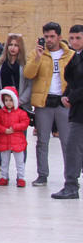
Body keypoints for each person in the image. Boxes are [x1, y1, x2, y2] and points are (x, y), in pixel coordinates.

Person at [23, 21, 74, 187]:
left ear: (59, 37)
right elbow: (28, 74)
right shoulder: (36, 53)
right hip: (43, 102)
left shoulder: (70, 55)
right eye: (46, 36)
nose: (49, 40)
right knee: (42, 141)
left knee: (67, 141)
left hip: (64, 102)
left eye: (52, 36)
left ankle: (70, 177)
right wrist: (38, 57)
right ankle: (42, 175)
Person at [52, 25, 83, 199]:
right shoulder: (76, 56)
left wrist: (71, 97)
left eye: (78, 38)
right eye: (71, 38)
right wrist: (66, 95)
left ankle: (71, 186)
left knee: (73, 148)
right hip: (77, 110)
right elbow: (73, 82)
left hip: (79, 112)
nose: (74, 41)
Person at [0, 88, 29, 187]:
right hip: (4, 140)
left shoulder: (21, 112)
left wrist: (14, 127)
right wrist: (4, 130)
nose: (8, 102)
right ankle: (4, 177)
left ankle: (21, 178)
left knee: (19, 161)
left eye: (11, 100)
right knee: (4, 161)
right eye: (6, 100)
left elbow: (25, 123)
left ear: (15, 100)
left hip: (17, 140)